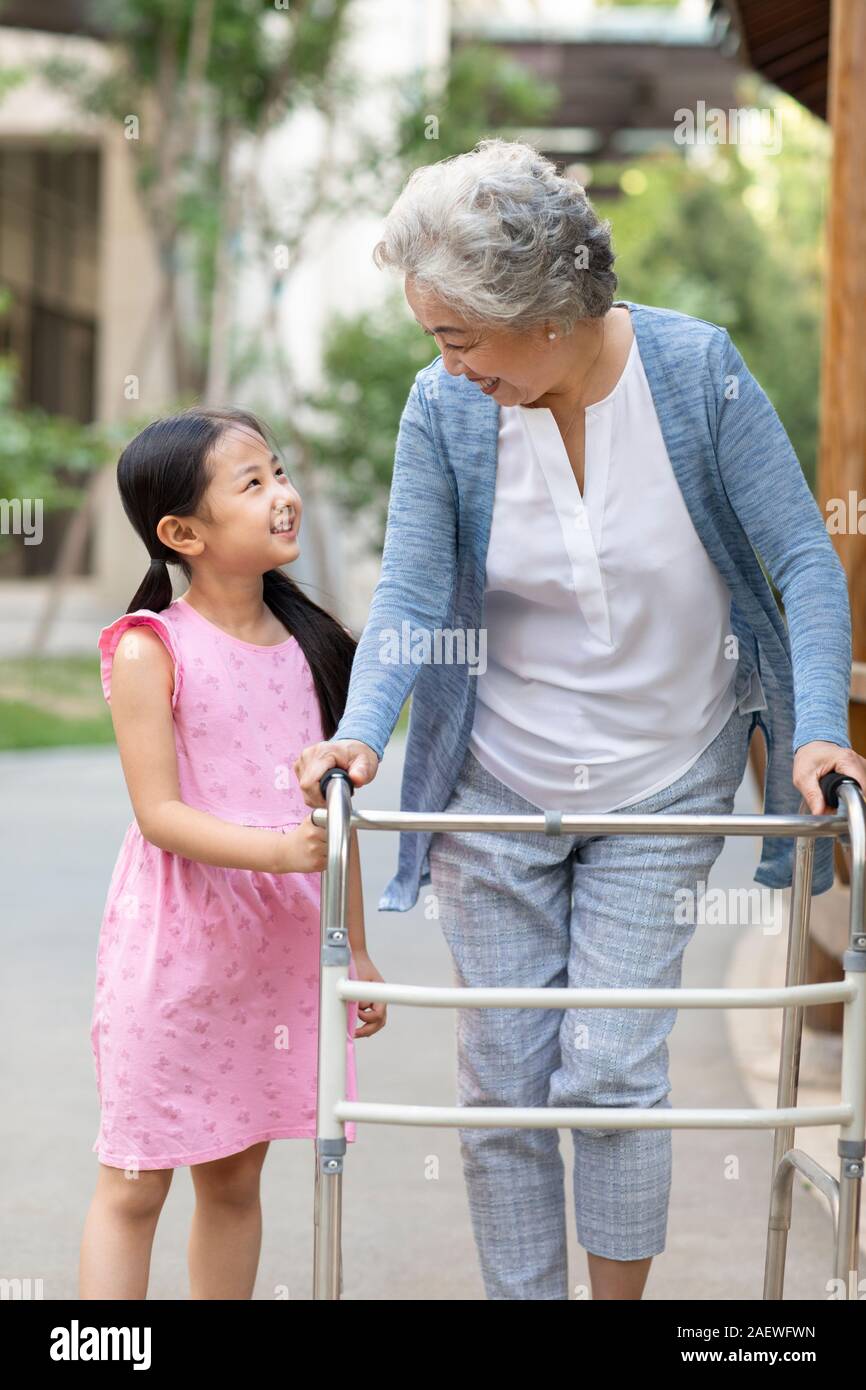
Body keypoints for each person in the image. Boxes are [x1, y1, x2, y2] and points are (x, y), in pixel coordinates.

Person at [293, 138, 865, 1301]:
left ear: (546, 314)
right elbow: (407, 589)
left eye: (458, 336)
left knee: (606, 1069)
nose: (445, 364)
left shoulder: (694, 374)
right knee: (500, 1080)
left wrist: (812, 726)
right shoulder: (441, 410)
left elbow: (802, 558)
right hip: (495, 780)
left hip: (663, 775)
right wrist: (361, 729)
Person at [79, 406, 387, 1300]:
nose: (282, 495)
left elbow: (336, 820)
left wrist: (356, 944)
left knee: (235, 1181)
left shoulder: (315, 647)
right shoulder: (151, 647)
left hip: (274, 954)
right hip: (175, 951)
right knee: (135, 1181)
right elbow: (159, 812)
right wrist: (277, 850)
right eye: (252, 485)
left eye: (279, 473)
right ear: (183, 533)